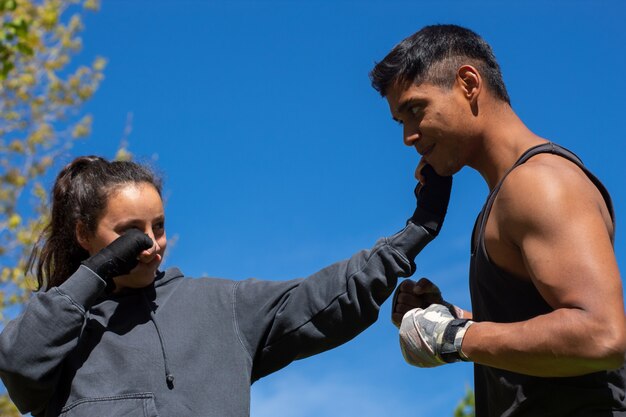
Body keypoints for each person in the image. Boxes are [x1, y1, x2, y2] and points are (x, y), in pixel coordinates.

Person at [0, 155, 450, 417]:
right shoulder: (63, 332)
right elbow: (19, 368)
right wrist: (93, 278)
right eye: (129, 232)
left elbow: (323, 297)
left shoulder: (220, 306)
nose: (150, 245)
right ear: (84, 236)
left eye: (158, 227)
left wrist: (414, 233)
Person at [369, 24, 626, 416]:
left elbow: (602, 335)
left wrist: (456, 338)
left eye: (415, 110)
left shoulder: (540, 183)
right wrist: (451, 318)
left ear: (468, 83)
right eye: (400, 121)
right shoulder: (507, 195)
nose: (408, 136)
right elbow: (539, 328)